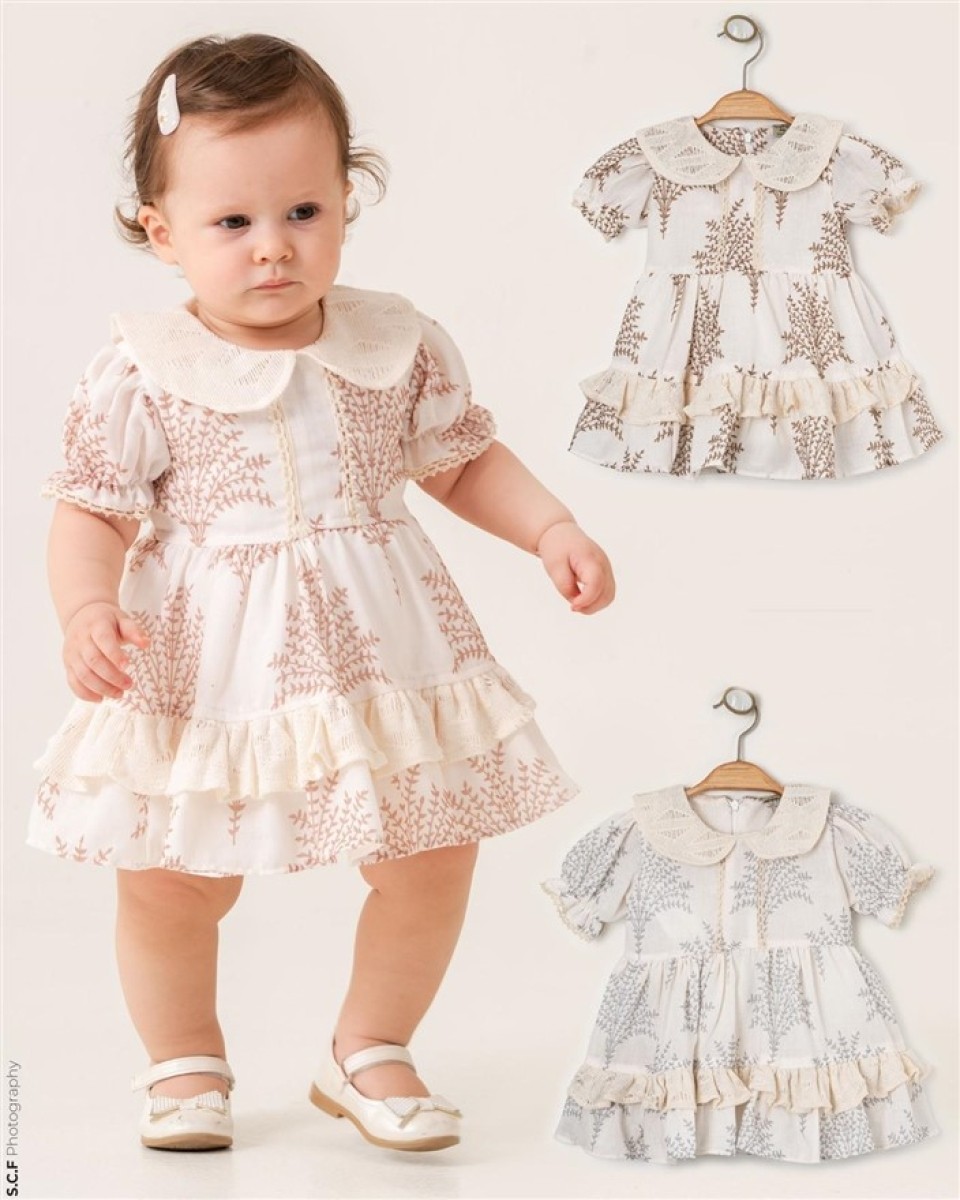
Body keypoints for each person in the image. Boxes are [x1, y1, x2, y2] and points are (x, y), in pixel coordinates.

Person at [28, 32, 615, 1153]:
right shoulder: (145, 369)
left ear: (347, 200)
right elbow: (91, 510)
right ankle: (184, 1062)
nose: (273, 248)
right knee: (171, 875)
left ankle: (370, 1047)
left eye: (303, 211)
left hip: (383, 651)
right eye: (231, 222)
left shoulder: (394, 342)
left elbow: (459, 460)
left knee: (432, 853)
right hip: (203, 661)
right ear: (161, 232)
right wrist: (86, 608)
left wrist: (550, 528)